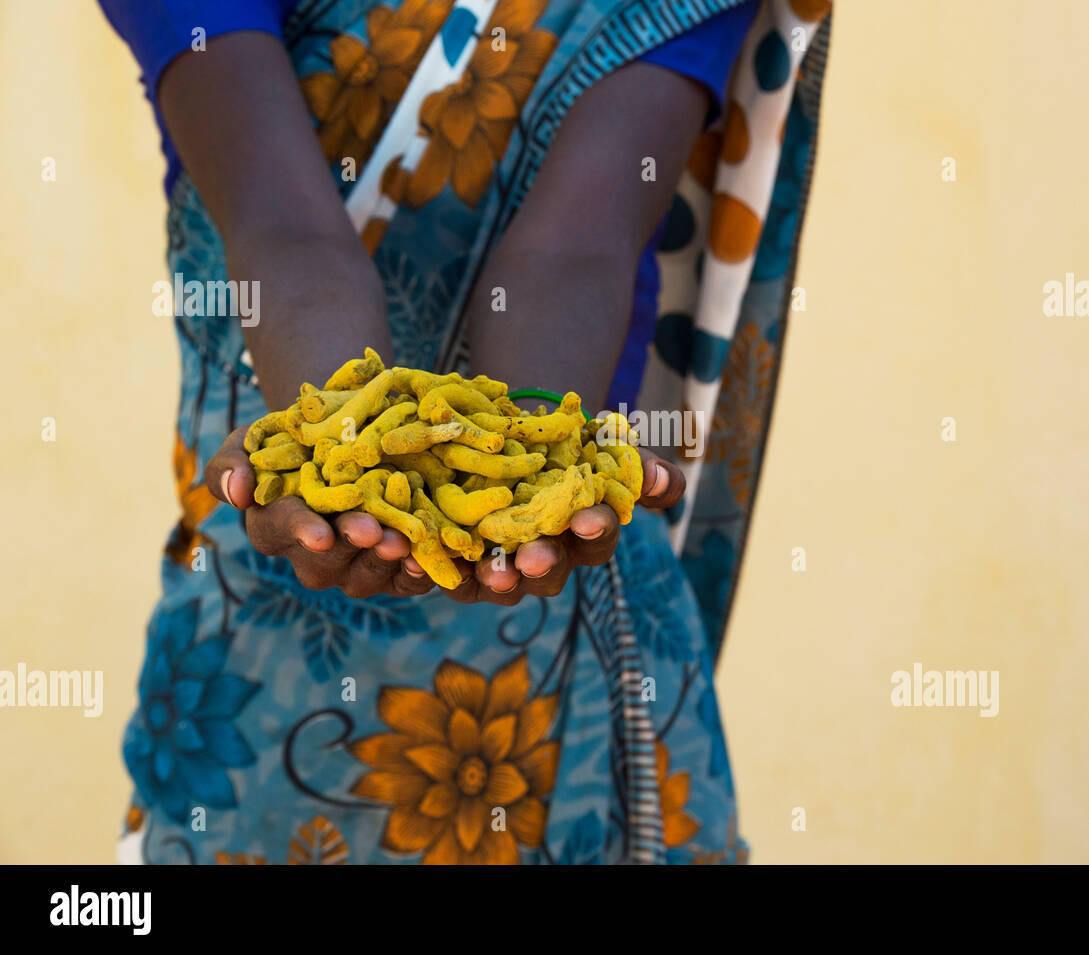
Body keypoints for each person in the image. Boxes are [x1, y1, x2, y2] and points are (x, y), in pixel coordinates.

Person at [101, 0, 831, 864]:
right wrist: (328, 439)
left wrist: (535, 452)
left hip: (577, 691)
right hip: (248, 679)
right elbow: (284, 227)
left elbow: (576, 246)